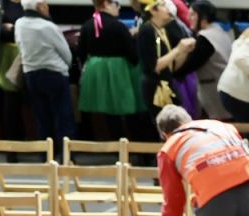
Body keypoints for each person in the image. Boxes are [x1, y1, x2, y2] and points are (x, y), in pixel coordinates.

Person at [78, 0, 146, 139]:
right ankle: (137, 148)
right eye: (115, 3)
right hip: (119, 71)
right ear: (105, 4)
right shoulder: (118, 26)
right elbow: (132, 54)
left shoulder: (87, 25)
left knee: (109, 114)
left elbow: (81, 52)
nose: (118, 7)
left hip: (96, 71)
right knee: (129, 110)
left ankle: (117, 148)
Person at [14, 0, 74, 144]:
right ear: (39, 6)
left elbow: (19, 46)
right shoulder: (48, 27)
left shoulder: (19, 24)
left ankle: (46, 155)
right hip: (54, 74)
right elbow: (66, 54)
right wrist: (68, 66)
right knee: (63, 116)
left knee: (42, 117)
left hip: (31, 75)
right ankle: (66, 156)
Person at [140, 0, 198, 120]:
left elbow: (173, 66)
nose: (168, 8)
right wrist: (178, 49)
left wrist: (184, 52)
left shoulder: (161, 30)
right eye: (163, 5)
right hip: (156, 88)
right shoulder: (147, 31)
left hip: (167, 83)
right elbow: (155, 66)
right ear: (152, 10)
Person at [186, 1, 232, 121]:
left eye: (192, 15)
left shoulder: (205, 38)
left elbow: (189, 66)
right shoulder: (221, 32)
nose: (188, 18)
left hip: (214, 92)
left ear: (204, 17)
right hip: (224, 89)